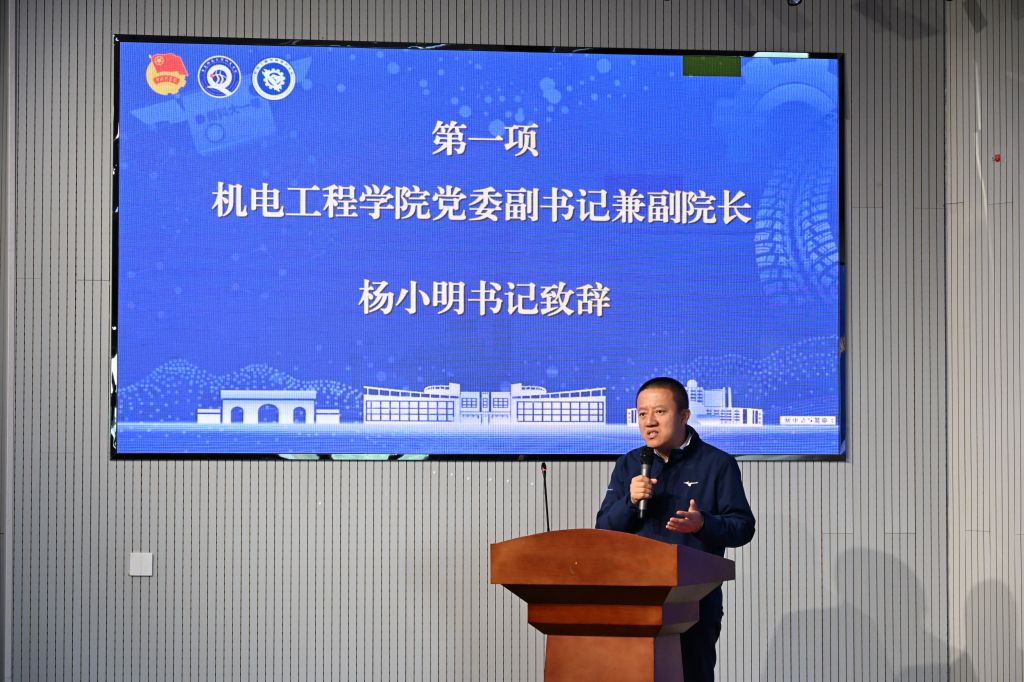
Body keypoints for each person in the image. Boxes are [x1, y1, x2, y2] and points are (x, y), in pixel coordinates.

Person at [596, 377, 755, 682]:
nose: (649, 422)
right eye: (642, 414)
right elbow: (604, 529)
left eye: (660, 412)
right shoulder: (629, 464)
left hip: (693, 602)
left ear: (684, 416)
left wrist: (704, 523)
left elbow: (743, 527)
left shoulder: (717, 464)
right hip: (635, 598)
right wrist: (630, 501)